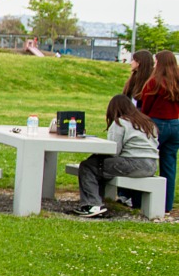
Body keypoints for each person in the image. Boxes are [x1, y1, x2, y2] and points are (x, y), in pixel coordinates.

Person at [74, 94, 159, 217]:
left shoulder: (120, 123)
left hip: (132, 163)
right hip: (151, 166)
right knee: (98, 165)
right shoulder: (147, 122)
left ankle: (91, 205)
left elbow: (114, 150)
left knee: (88, 166)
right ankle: (99, 200)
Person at [138, 50, 179, 213]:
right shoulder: (177, 81)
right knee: (169, 165)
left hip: (157, 123)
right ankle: (166, 205)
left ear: (160, 63)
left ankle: (142, 198)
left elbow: (146, 107)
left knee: (146, 160)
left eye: (155, 62)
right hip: (175, 124)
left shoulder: (154, 82)